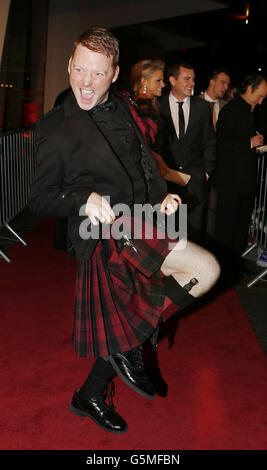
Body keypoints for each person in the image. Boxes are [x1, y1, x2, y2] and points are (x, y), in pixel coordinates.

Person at [29, 28, 220, 434]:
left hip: (145, 222)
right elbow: (40, 198)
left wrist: (165, 194)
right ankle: (131, 346)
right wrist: (83, 198)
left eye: (97, 74)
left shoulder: (124, 108)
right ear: (69, 65)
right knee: (188, 282)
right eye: (79, 69)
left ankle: (95, 387)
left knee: (204, 273)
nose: (85, 81)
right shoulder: (54, 129)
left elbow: (143, 166)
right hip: (104, 237)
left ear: (114, 74)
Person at [153, 61, 216, 243]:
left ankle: (194, 271)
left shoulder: (203, 107)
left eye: (193, 79)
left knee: (194, 234)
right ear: (172, 80)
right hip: (166, 181)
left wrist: (205, 172)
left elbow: (209, 141)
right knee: (167, 233)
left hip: (195, 182)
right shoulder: (158, 105)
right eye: (187, 78)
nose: (192, 83)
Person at [214, 73, 267, 278]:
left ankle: (234, 266)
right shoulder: (231, 110)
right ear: (250, 89)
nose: (261, 101)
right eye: (260, 96)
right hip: (231, 182)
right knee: (227, 228)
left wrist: (256, 145)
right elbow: (222, 144)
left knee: (241, 228)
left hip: (245, 181)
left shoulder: (251, 111)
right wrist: (250, 143)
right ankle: (222, 268)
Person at [125, 59, 191, 187]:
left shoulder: (148, 105)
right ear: (143, 80)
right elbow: (142, 143)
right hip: (147, 174)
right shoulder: (142, 107)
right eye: (158, 80)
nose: (163, 84)